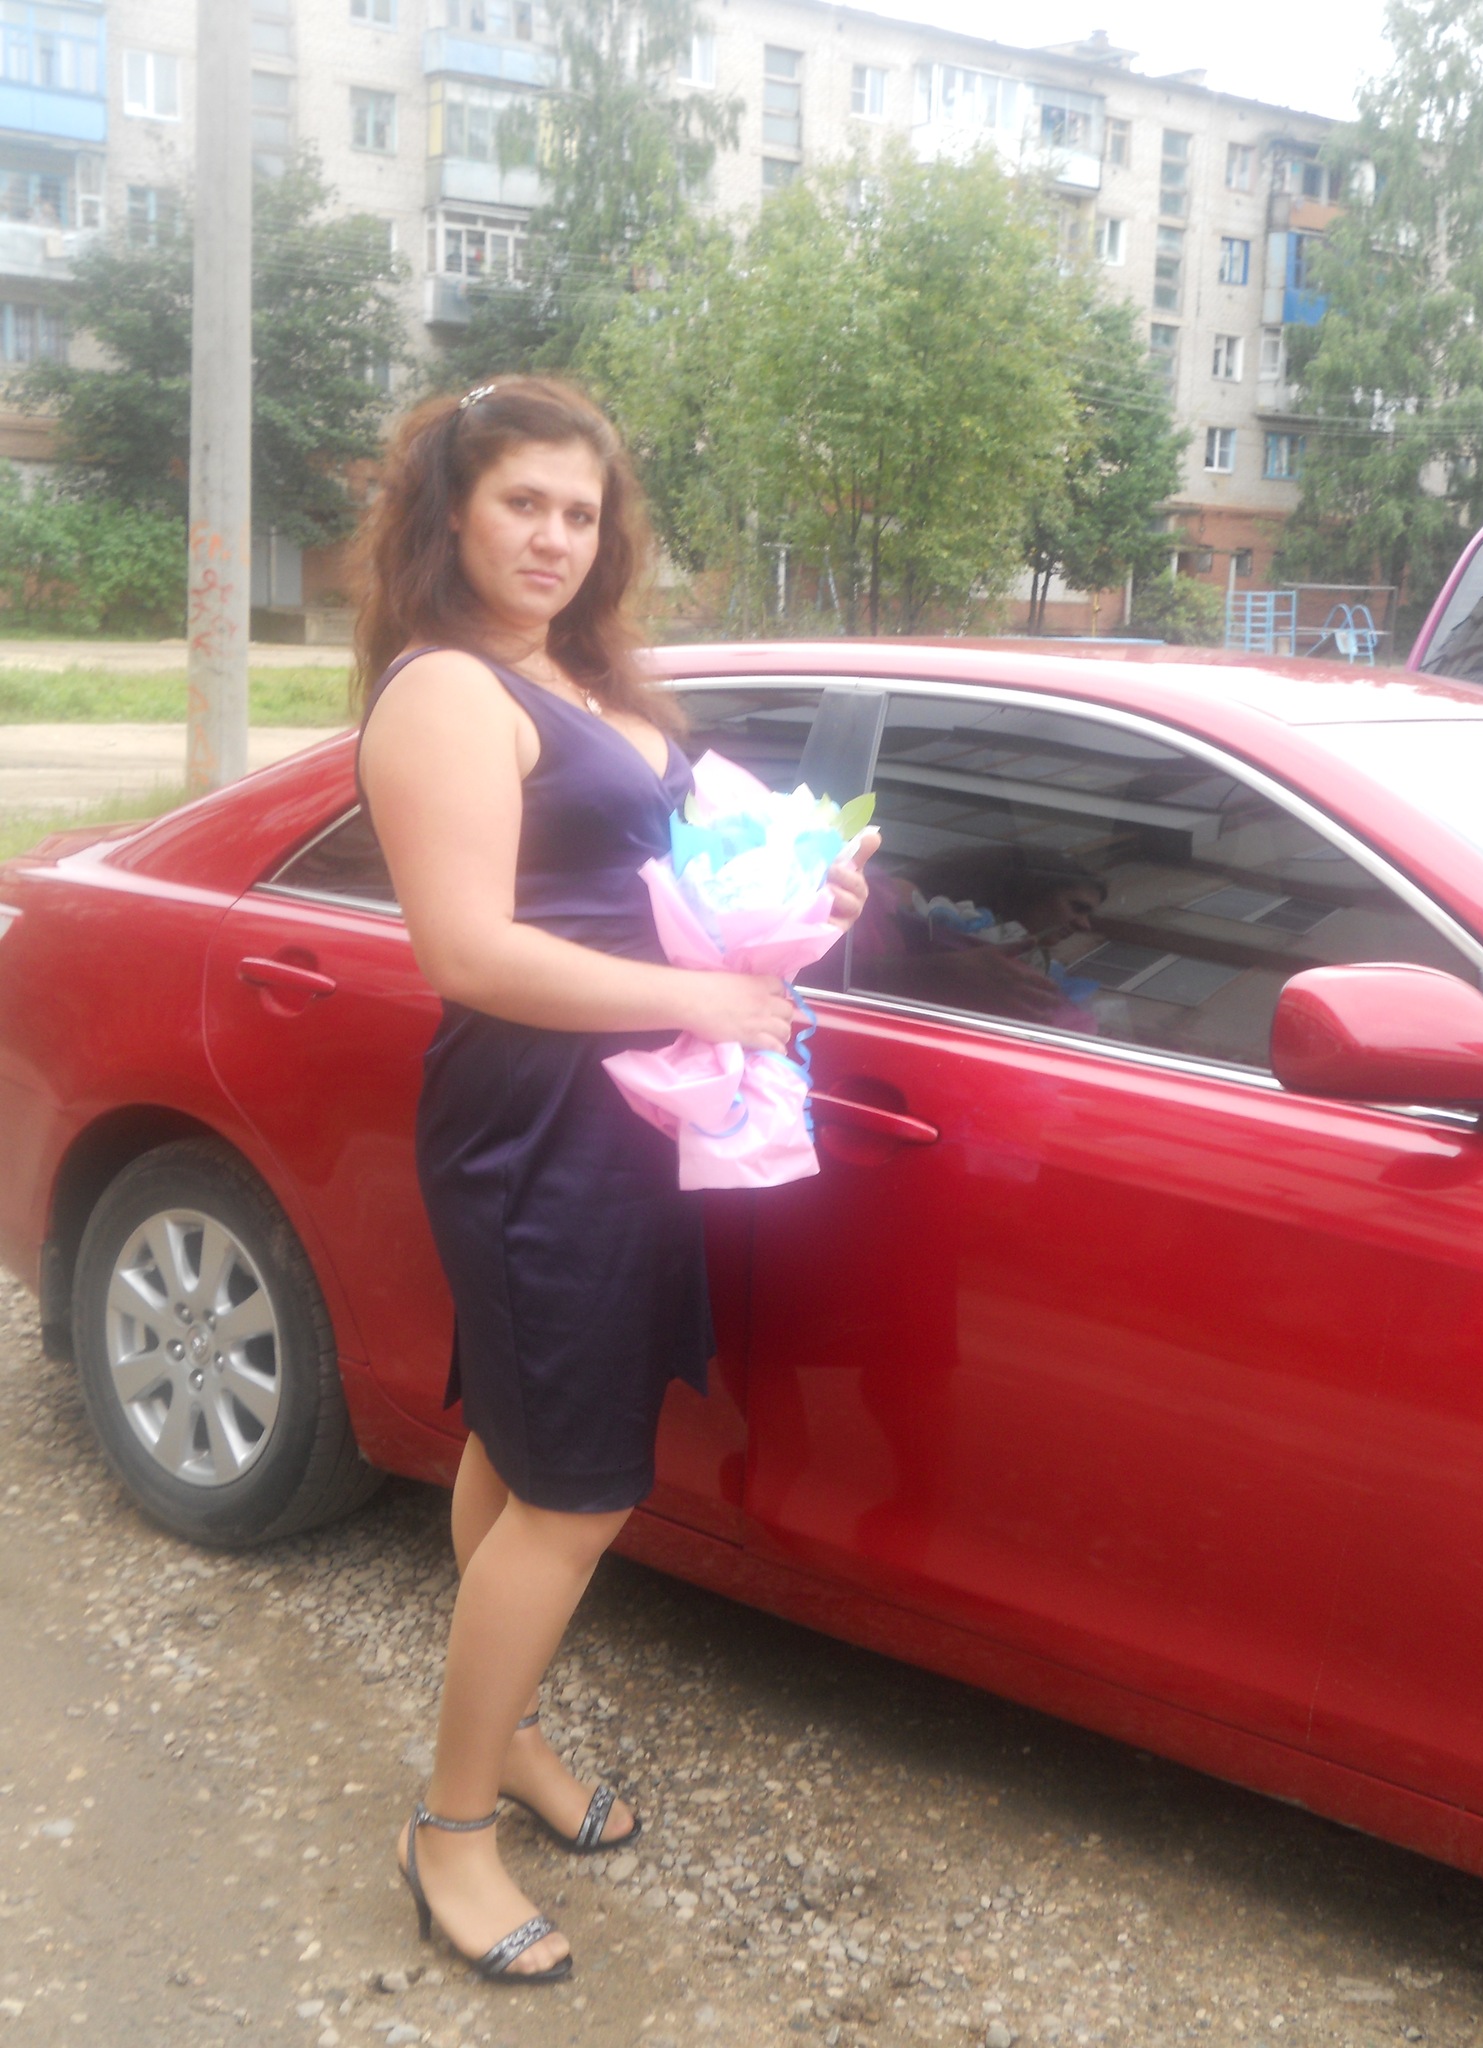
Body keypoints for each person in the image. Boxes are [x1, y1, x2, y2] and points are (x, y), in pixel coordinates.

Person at [353, 376, 874, 1987]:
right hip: (531, 1126)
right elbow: (467, 950)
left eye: (581, 512)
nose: (555, 538)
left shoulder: (588, 680)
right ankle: (448, 1830)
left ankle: (502, 1734)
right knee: (577, 1490)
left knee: (524, 1449)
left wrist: (808, 891)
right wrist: (701, 998)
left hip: (637, 1117)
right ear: (452, 512)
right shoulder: (446, 691)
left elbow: (669, 884)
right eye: (522, 502)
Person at [855, 843, 1106, 1025]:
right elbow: (840, 973)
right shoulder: (900, 901)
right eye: (1077, 907)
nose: (1084, 926)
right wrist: (929, 973)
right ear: (1031, 890)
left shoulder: (1039, 969)